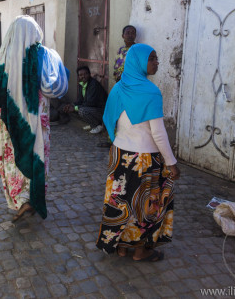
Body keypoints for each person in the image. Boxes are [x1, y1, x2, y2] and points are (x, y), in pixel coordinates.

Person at [96, 43, 180, 262]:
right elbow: (159, 134)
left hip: (120, 156)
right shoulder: (150, 91)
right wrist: (171, 163)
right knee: (147, 205)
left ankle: (122, 246)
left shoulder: (118, 89)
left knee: (120, 203)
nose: (156, 62)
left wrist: (119, 143)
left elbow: (109, 120)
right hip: (144, 159)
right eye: (152, 58)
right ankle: (141, 250)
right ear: (139, 62)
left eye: (156, 58)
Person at [0, 15, 68, 222]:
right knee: (38, 156)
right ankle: (34, 198)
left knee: (13, 160)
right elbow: (63, 77)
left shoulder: (4, 57)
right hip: (40, 123)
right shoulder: (45, 55)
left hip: (13, 122)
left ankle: (22, 201)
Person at [60, 66, 107, 134]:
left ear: (89, 74)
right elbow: (80, 100)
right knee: (72, 109)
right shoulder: (82, 84)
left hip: (102, 111)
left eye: (85, 74)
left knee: (82, 111)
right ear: (78, 76)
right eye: (81, 75)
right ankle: (92, 124)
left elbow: (91, 103)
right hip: (92, 109)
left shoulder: (93, 84)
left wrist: (75, 108)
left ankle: (98, 126)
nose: (83, 76)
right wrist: (71, 105)